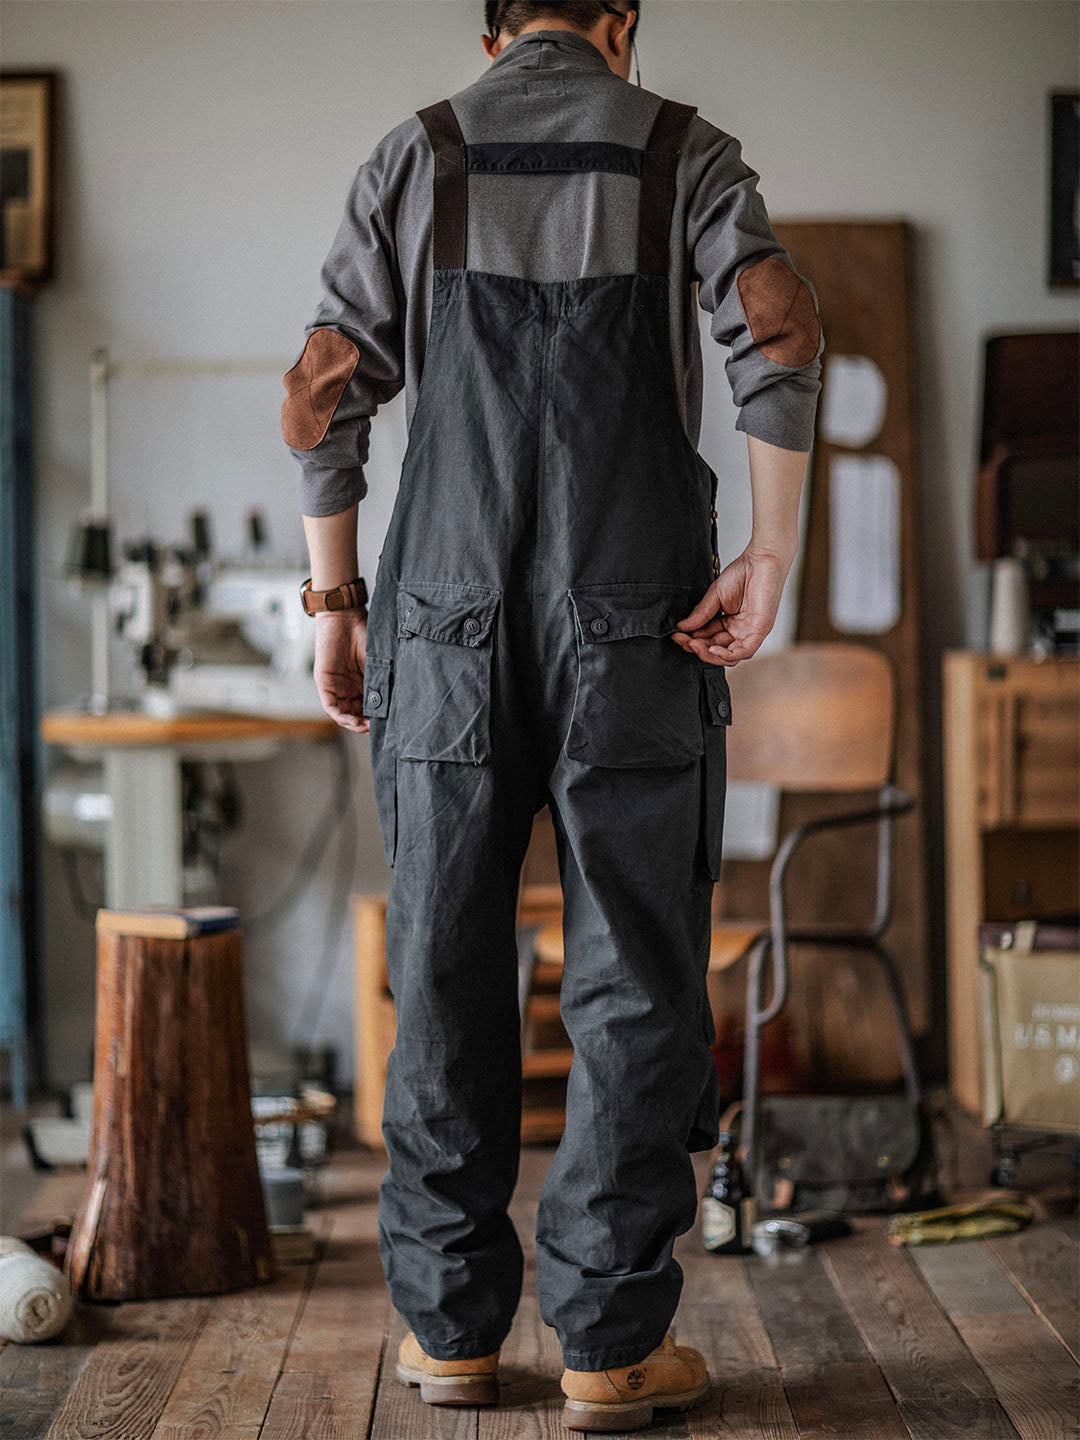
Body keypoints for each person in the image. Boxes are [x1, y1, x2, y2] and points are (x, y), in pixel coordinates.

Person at [282, 1, 823, 1430]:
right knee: (635, 978)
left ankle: (451, 1336)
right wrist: (771, 557)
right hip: (634, 624)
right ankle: (606, 1343)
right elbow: (773, 322)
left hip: (444, 627)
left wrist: (336, 610)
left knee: (448, 971)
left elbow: (325, 387)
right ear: (622, 23)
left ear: (490, 31)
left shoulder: (421, 156)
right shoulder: (684, 154)